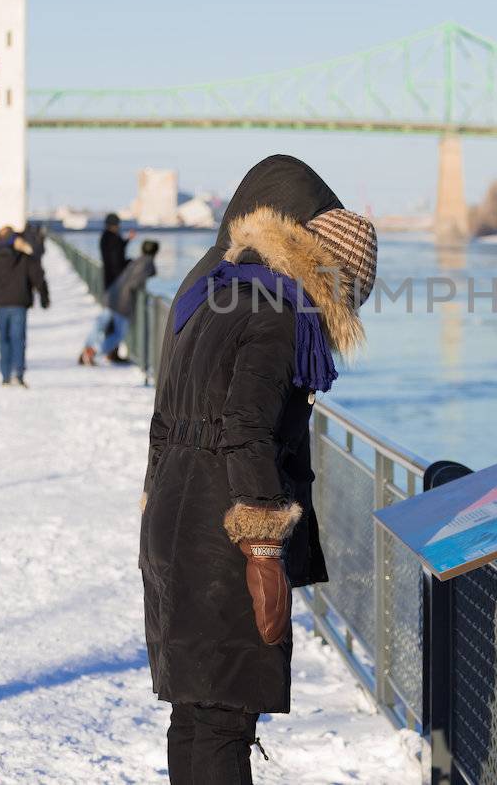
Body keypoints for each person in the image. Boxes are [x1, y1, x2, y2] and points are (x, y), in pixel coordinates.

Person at [139, 155, 377, 784]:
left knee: (194, 713)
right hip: (223, 541)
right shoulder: (277, 314)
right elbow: (245, 429)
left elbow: (165, 418)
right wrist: (265, 551)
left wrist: (154, 506)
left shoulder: (215, 293)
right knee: (224, 723)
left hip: (176, 522)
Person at [0, 225, 50, 387]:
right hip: (19, 303)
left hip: (0, 305)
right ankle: (19, 374)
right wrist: (44, 297)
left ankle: (5, 376)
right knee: (18, 339)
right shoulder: (25, 258)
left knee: (4, 339)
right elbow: (38, 276)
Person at [79, 239, 159, 366]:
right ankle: (92, 352)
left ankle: (87, 349)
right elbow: (135, 282)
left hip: (112, 296)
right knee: (118, 334)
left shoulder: (137, 260)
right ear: (155, 252)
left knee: (100, 325)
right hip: (123, 302)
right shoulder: (147, 263)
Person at [99, 212, 134, 290]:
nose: (119, 226)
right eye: (117, 224)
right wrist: (127, 264)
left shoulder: (106, 236)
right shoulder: (112, 238)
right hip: (115, 278)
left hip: (109, 277)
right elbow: (116, 258)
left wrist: (128, 239)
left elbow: (119, 247)